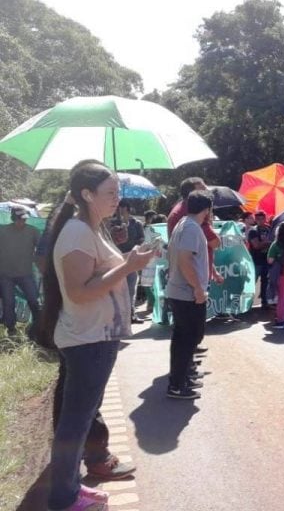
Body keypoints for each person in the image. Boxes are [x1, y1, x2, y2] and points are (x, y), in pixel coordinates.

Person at [42, 160, 154, 510]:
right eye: (110, 192)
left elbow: (97, 272)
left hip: (96, 339)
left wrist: (128, 257)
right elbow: (78, 291)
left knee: (82, 416)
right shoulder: (77, 232)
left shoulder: (91, 229)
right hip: (87, 341)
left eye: (118, 192)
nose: (116, 199)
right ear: (87, 194)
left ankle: (72, 487)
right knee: (75, 424)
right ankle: (64, 497)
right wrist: (129, 265)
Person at [166, 190, 213, 399]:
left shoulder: (184, 224)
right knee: (190, 339)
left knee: (183, 340)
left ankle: (181, 379)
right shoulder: (192, 228)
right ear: (207, 210)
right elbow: (185, 260)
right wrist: (197, 288)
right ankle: (177, 385)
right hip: (187, 293)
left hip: (181, 292)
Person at [0, 207, 41, 336]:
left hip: (25, 273)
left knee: (34, 300)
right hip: (6, 274)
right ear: (13, 219)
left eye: (23, 220)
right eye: (19, 220)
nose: (21, 222)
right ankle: (11, 330)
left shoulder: (33, 231)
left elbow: (41, 250)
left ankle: (39, 327)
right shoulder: (3, 231)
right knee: (9, 302)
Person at [109, 199, 145, 323]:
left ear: (128, 209)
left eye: (122, 207)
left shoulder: (136, 223)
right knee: (116, 290)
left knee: (131, 288)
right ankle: (117, 316)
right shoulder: (112, 224)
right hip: (116, 260)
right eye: (118, 208)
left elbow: (141, 239)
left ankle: (131, 314)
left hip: (132, 260)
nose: (119, 210)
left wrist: (137, 248)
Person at [247, 210, 272, 309]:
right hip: (256, 260)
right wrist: (267, 243)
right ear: (255, 220)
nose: (261, 221)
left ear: (265, 218)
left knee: (266, 282)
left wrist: (267, 243)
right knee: (252, 282)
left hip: (267, 260)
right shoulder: (253, 231)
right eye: (258, 219)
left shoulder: (269, 229)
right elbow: (256, 245)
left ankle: (264, 302)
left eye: (262, 218)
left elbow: (274, 242)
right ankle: (248, 303)